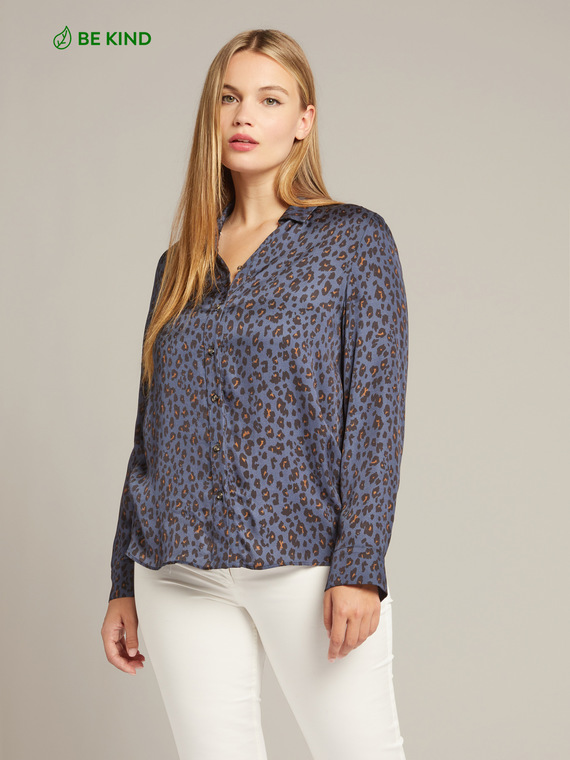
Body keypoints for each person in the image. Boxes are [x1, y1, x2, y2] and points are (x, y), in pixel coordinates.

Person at [101, 28, 409, 760]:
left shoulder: (351, 242)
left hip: (304, 563)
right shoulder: (179, 264)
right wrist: (121, 581)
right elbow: (151, 432)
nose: (244, 115)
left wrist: (359, 568)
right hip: (176, 571)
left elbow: (376, 415)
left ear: (303, 120)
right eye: (229, 98)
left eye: (270, 100)